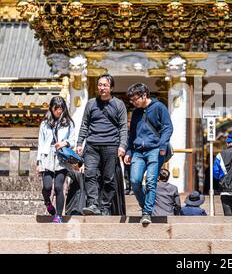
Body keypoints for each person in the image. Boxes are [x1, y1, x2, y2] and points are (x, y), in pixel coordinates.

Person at [76, 74, 128, 216]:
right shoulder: (91, 103)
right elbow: (85, 124)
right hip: (92, 145)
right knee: (90, 174)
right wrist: (80, 142)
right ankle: (93, 204)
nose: (102, 88)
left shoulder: (118, 104)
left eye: (105, 85)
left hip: (111, 145)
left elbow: (123, 126)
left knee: (109, 178)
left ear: (111, 87)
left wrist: (122, 145)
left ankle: (104, 206)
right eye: (99, 85)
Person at [124, 83, 173, 224]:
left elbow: (168, 127)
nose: (133, 103)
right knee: (134, 181)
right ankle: (146, 204)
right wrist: (129, 151)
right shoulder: (136, 112)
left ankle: (146, 212)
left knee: (151, 181)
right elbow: (132, 134)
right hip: (138, 151)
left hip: (155, 149)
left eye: (135, 99)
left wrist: (163, 145)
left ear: (144, 95)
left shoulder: (159, 108)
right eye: (131, 100)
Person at [37, 96, 75, 223]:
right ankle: (47, 202)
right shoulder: (44, 124)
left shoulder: (69, 123)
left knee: (59, 187)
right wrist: (38, 162)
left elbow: (73, 141)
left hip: (62, 158)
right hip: (47, 156)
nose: (59, 111)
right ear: (51, 108)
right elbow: (41, 143)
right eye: (56, 108)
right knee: (47, 187)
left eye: (61, 108)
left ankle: (58, 215)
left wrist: (64, 143)